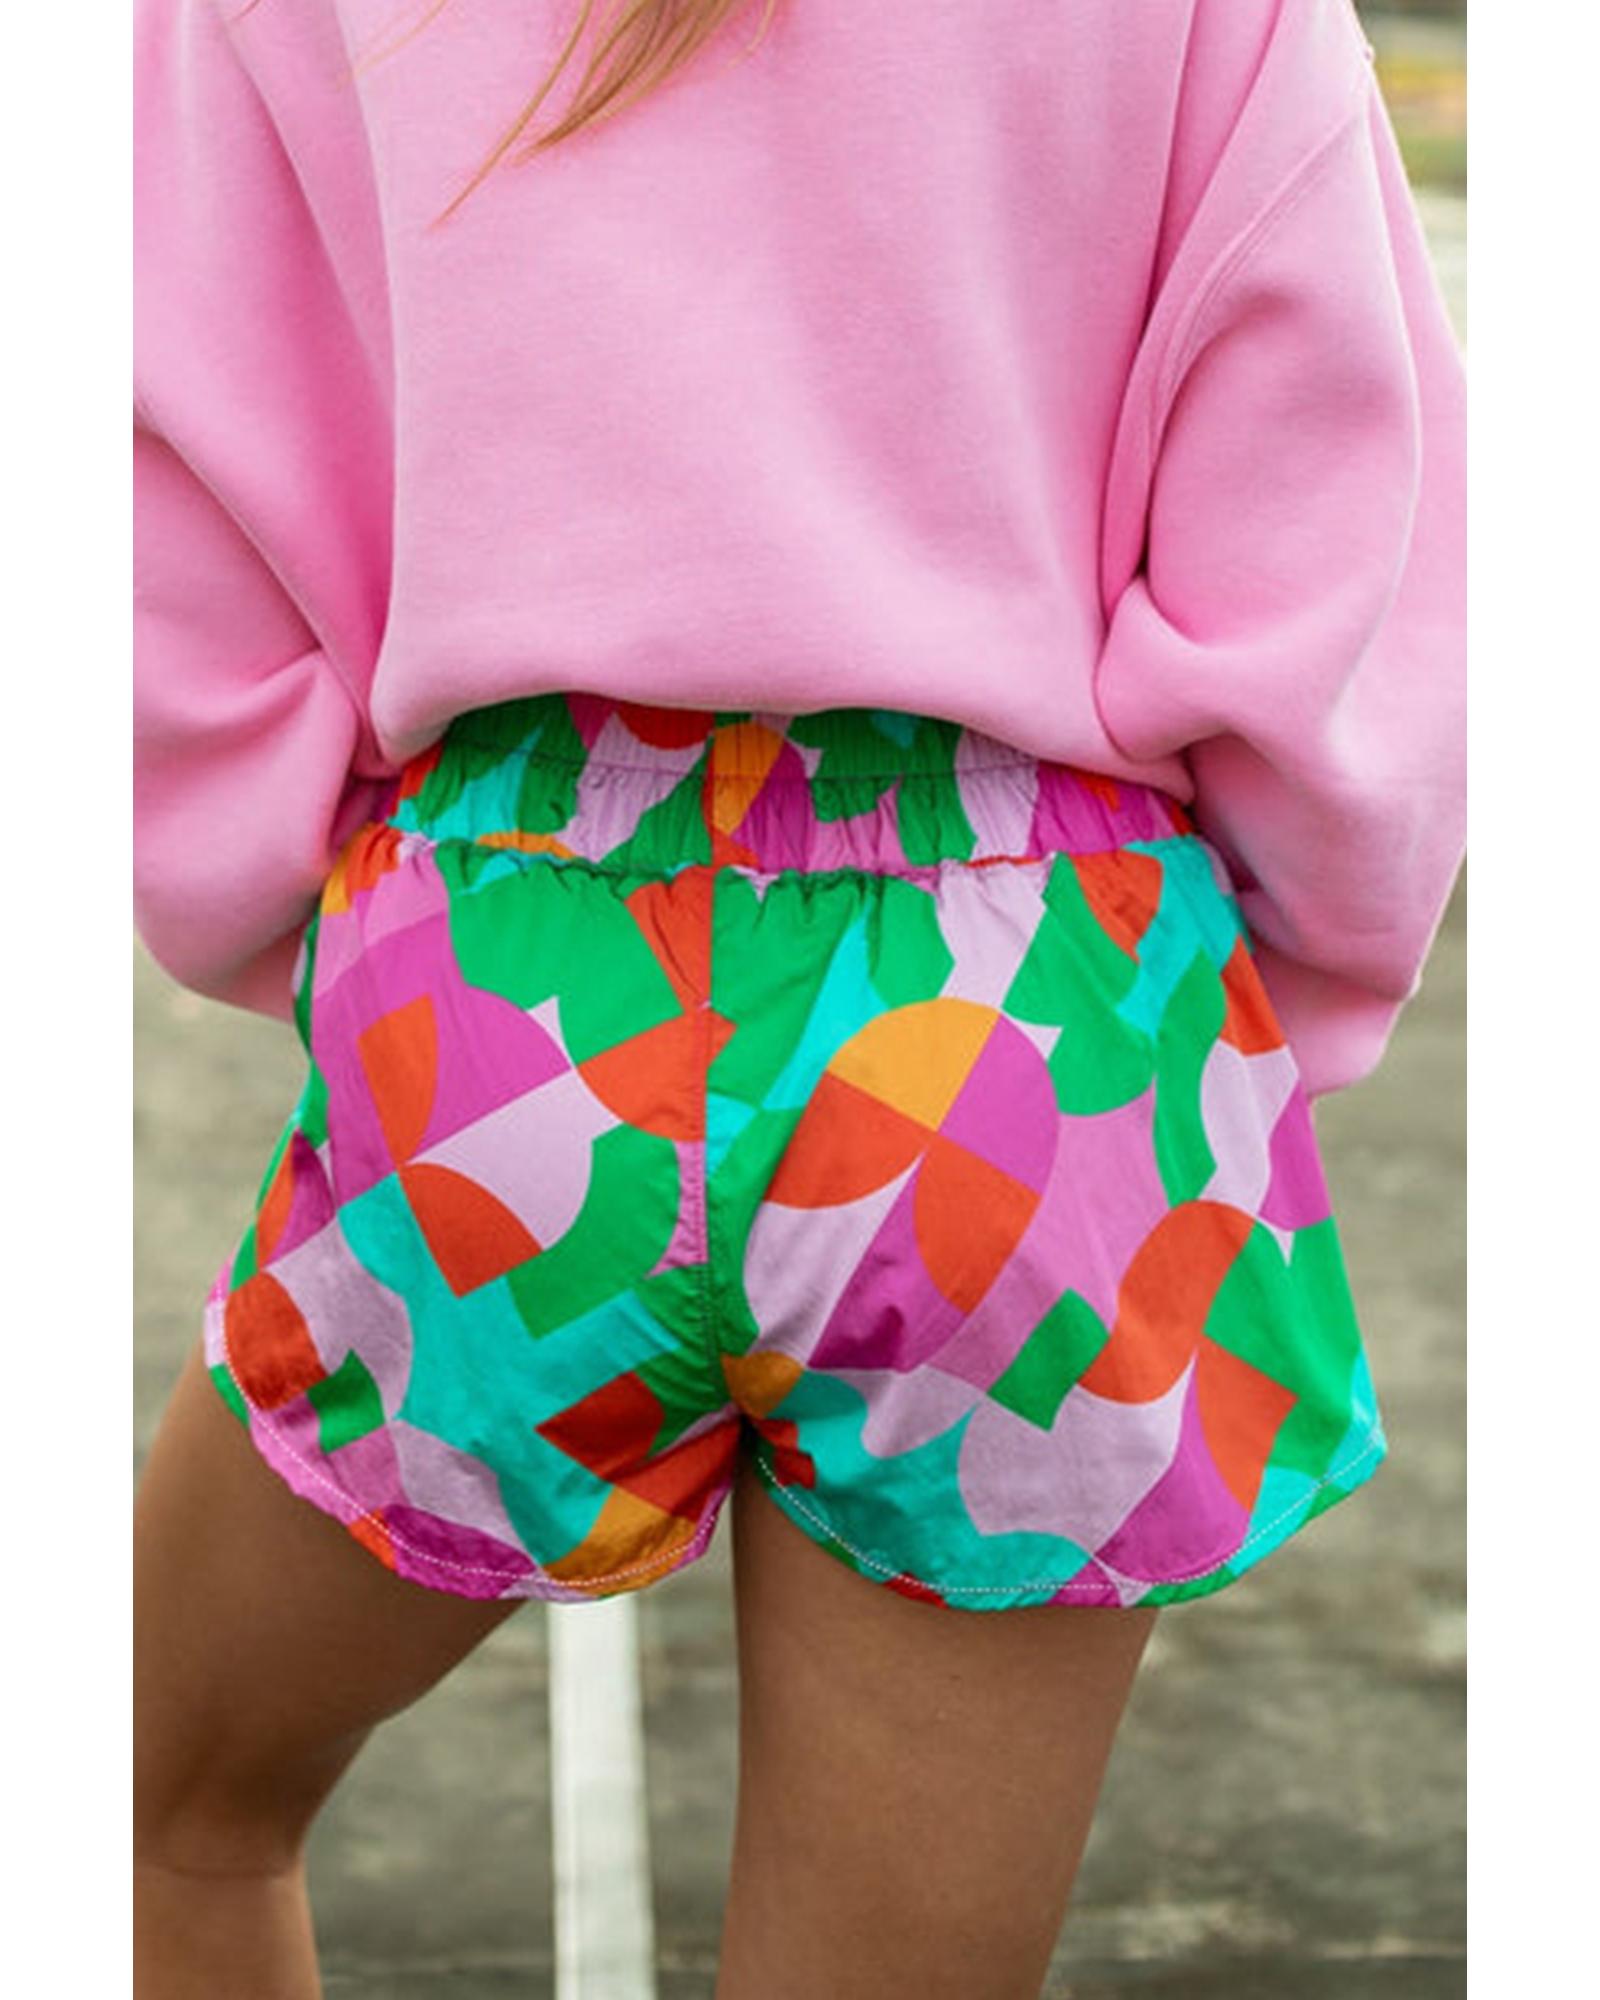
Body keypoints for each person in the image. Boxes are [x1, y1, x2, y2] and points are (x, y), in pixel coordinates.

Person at [131, 1, 1467, 1995]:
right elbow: (1324, 502)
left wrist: (324, 921)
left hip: (516, 962)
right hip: (1038, 1007)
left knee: (148, 1818)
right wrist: (1265, 994)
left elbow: (168, 466)